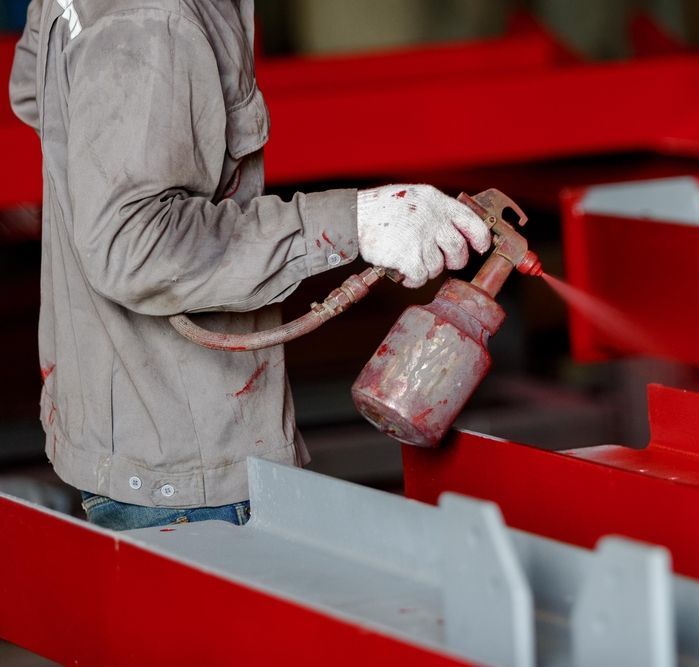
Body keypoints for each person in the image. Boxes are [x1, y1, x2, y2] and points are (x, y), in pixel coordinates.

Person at [8, 0, 491, 530]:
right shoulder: (156, 21)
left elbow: (33, 93)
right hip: (185, 475)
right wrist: (360, 222)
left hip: (122, 430)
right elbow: (133, 245)